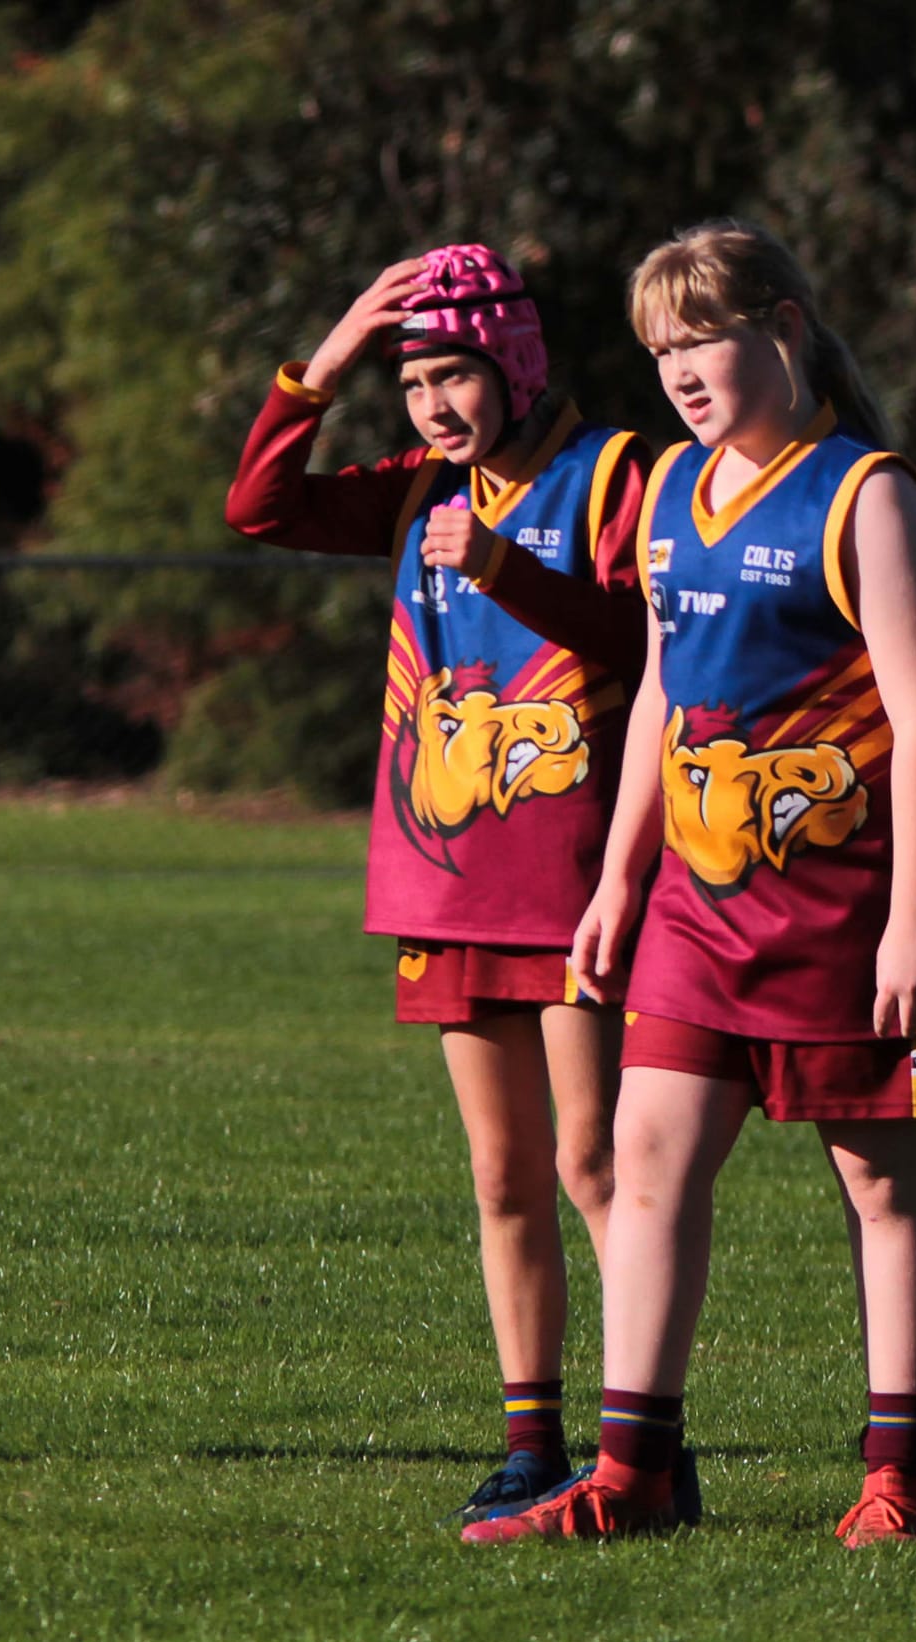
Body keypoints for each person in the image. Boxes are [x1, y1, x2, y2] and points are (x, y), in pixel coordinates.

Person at [462, 217, 916, 1549]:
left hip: (848, 914)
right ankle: (631, 1477)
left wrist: (914, 919)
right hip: (698, 905)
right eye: (661, 348)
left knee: (881, 1182)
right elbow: (664, 700)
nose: (681, 370)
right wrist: (619, 879)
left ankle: (896, 1481)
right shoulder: (676, 491)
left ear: (785, 331)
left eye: (705, 339)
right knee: (648, 1156)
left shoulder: (868, 493)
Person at [224, 242, 697, 1529]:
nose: (435, 404)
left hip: (574, 877)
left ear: (518, 363)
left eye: (456, 374)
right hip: (447, 883)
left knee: (597, 1161)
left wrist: (499, 568)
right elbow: (259, 508)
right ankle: (531, 1441)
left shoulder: (619, 474)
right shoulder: (417, 485)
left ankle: (643, 1440)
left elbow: (650, 644)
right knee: (503, 1177)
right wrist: (318, 369)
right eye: (416, 380)